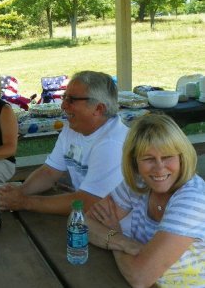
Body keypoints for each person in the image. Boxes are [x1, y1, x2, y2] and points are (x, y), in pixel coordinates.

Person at [87, 114, 205, 287]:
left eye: (167, 157)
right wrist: (123, 242)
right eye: (148, 159)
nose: (159, 168)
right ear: (134, 163)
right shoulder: (139, 182)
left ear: (182, 157)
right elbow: (82, 223)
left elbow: (139, 277)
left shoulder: (192, 198)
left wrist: (113, 235)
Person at [0, 71, 128, 216]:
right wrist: (19, 192)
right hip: (92, 218)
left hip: (121, 228)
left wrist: (24, 202)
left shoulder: (112, 144)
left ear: (98, 108)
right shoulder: (73, 128)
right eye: (64, 97)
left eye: (71, 100)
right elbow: (49, 171)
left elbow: (89, 202)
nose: (63, 105)